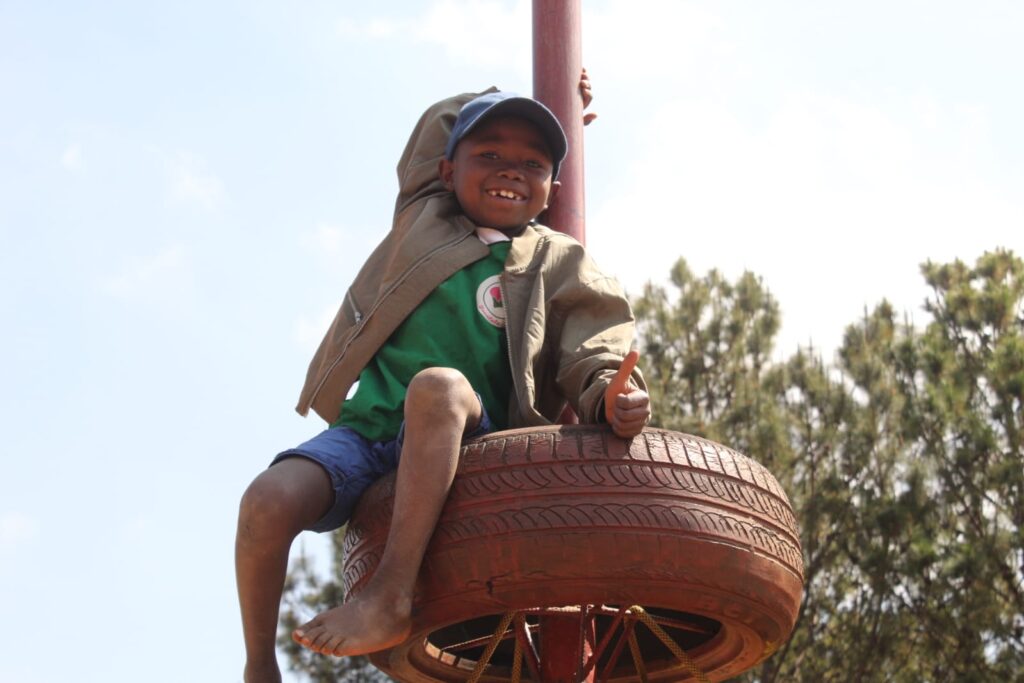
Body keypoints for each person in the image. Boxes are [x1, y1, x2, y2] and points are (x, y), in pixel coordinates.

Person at [235, 74, 650, 682]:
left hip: (471, 440)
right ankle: (258, 663)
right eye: (489, 154)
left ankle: (390, 595)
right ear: (447, 170)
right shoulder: (423, 217)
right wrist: (548, 100)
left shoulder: (558, 259)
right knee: (266, 500)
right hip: (369, 432)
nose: (510, 170)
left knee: (439, 387)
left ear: (553, 189)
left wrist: (610, 396)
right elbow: (442, 121)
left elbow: (593, 347)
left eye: (532, 164)